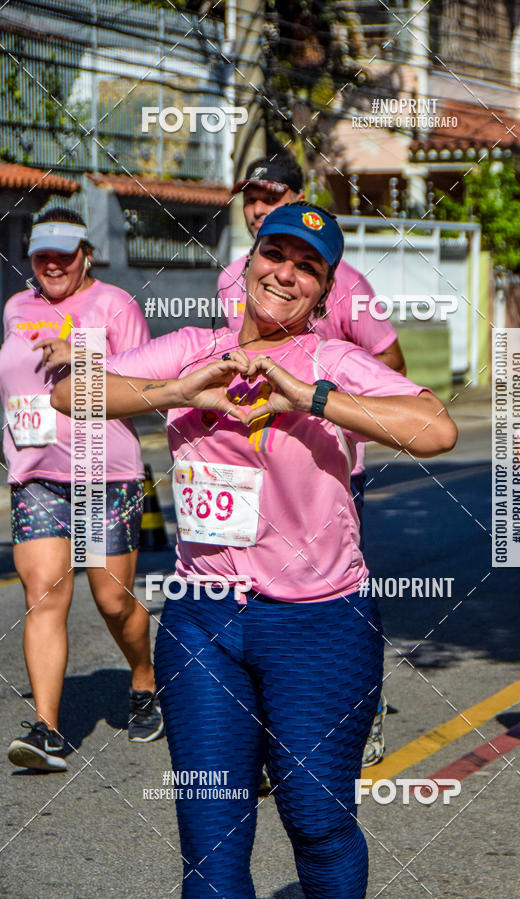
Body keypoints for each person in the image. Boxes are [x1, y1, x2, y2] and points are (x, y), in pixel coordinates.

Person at [53, 202, 457, 896]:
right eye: (276, 254)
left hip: (320, 621)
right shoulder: (191, 348)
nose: (286, 274)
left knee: (317, 820)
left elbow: (436, 428)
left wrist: (311, 397)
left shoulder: (332, 359)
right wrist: (180, 389)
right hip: (203, 619)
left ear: (324, 292)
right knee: (209, 840)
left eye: (308, 268)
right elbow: (69, 391)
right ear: (247, 264)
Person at [220, 153, 406, 766]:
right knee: (251, 596)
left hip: (325, 471)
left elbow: (394, 370)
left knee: (335, 589)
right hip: (245, 468)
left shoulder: (345, 280)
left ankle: (360, 708)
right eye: (250, 198)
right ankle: (266, 729)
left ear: (299, 198)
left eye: (270, 196)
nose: (257, 207)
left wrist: (328, 408)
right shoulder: (230, 277)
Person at [1, 208, 163, 772]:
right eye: (42, 253)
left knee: (113, 601)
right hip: (36, 476)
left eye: (64, 254)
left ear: (86, 254)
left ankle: (144, 680)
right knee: (43, 595)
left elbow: (151, 386)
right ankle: (46, 730)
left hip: (106, 473)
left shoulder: (114, 304)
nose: (51, 263)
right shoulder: (16, 308)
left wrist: (87, 356)